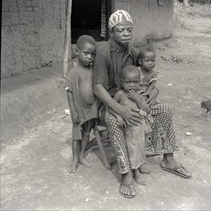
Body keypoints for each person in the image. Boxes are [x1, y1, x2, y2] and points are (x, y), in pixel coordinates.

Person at [93, 10, 191, 198]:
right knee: (115, 122)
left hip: (134, 101)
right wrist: (120, 110)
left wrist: (153, 93)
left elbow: (148, 74)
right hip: (112, 103)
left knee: (163, 110)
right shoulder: (103, 53)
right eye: (120, 30)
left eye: (129, 29)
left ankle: (168, 158)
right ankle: (126, 173)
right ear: (111, 32)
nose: (126, 33)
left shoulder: (133, 51)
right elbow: (98, 88)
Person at [109, 65, 153, 189]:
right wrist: (117, 116)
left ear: (140, 82)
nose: (132, 85)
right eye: (128, 82)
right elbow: (110, 108)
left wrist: (137, 100)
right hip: (129, 129)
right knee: (131, 150)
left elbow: (147, 110)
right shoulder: (120, 94)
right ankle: (135, 172)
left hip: (140, 129)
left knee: (139, 148)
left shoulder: (139, 95)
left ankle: (139, 165)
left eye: (135, 82)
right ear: (122, 82)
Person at [65, 35, 97, 173]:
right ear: (77, 51)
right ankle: (75, 159)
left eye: (92, 54)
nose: (89, 57)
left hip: (91, 108)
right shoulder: (73, 72)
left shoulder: (92, 70)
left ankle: (82, 155)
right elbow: (69, 92)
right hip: (79, 109)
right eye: (86, 53)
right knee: (76, 135)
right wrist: (73, 111)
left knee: (86, 133)